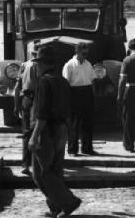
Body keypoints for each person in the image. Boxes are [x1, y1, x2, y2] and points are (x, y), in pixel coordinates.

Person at [28, 45, 82, 218]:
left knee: (41, 173)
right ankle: (56, 208)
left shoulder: (44, 82)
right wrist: (71, 131)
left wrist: (34, 136)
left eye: (37, 63)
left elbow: (42, 113)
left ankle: (69, 202)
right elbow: (69, 109)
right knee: (56, 170)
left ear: (41, 64)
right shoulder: (62, 81)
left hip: (47, 132)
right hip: (61, 130)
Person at [62, 43, 98, 156]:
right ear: (77, 52)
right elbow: (65, 83)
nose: (86, 55)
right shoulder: (69, 65)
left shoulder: (88, 64)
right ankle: (72, 149)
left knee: (88, 122)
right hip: (74, 93)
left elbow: (92, 80)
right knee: (74, 124)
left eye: (87, 53)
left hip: (87, 93)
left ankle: (87, 148)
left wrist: (93, 95)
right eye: (84, 53)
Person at [15, 44, 41, 176]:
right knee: (38, 131)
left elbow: (17, 87)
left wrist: (16, 104)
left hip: (25, 98)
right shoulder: (39, 67)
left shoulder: (24, 65)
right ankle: (38, 164)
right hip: (36, 99)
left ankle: (25, 164)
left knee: (26, 132)